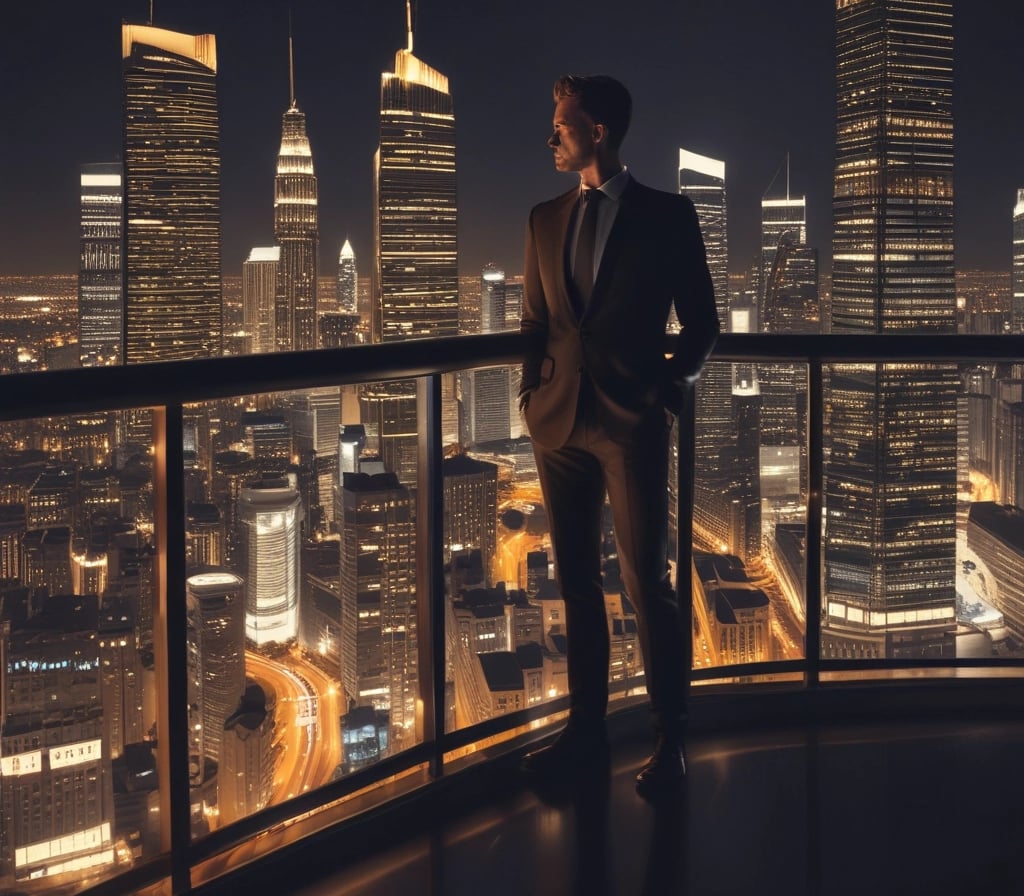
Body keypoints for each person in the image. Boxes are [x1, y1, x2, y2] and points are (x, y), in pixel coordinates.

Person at [519, 74, 718, 798]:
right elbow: (535, 322)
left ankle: (671, 741)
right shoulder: (543, 218)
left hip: (630, 423)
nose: (552, 136)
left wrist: (666, 394)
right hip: (558, 424)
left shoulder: (668, 215)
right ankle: (585, 737)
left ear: (598, 131)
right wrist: (527, 394)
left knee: (648, 586)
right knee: (576, 586)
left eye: (564, 125)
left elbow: (703, 325)